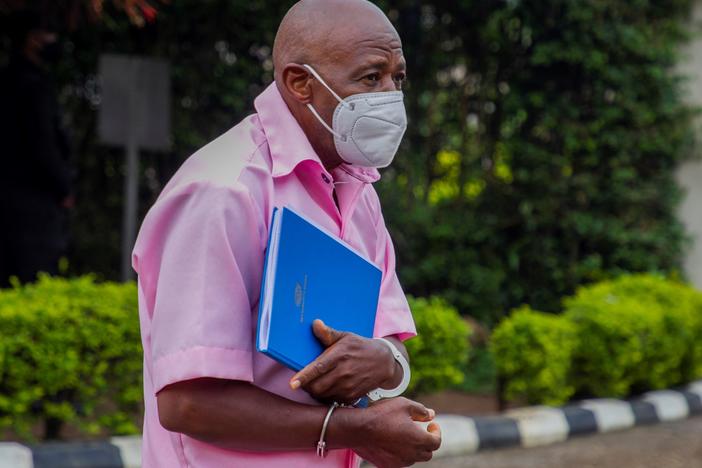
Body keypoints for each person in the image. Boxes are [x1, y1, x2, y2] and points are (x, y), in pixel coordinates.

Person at [132, 1, 441, 467]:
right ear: (300, 83)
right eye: (370, 77)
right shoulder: (223, 191)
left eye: (397, 78)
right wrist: (353, 430)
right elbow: (186, 403)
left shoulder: (357, 187)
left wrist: (384, 360)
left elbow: (391, 342)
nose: (390, 96)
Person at [0, 10, 74, 288]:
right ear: (32, 39)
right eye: (49, 34)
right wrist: (64, 187)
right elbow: (43, 144)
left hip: (11, 200)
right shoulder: (32, 87)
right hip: (33, 206)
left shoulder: (8, 80)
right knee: (33, 280)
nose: (54, 40)